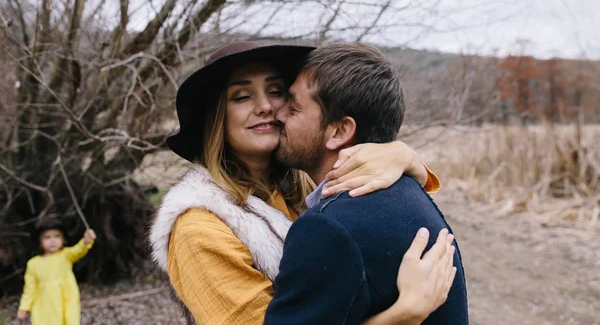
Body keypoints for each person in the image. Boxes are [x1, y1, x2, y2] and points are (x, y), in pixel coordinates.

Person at [149, 41, 453, 325]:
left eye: (276, 91)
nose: (267, 106)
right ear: (215, 118)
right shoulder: (200, 227)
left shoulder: (307, 186)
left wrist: (404, 156)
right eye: (242, 96)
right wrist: (402, 316)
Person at [263, 42, 469, 324]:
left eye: (294, 108)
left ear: (339, 131)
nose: (278, 114)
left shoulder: (328, 228)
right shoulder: (410, 192)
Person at [17, 219, 96, 325]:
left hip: (65, 299)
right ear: (40, 241)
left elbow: (79, 250)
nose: (52, 241)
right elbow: (30, 288)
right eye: (47, 237)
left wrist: (86, 240)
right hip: (43, 304)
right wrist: (24, 307)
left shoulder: (66, 255)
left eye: (57, 236)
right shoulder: (33, 263)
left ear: (63, 239)